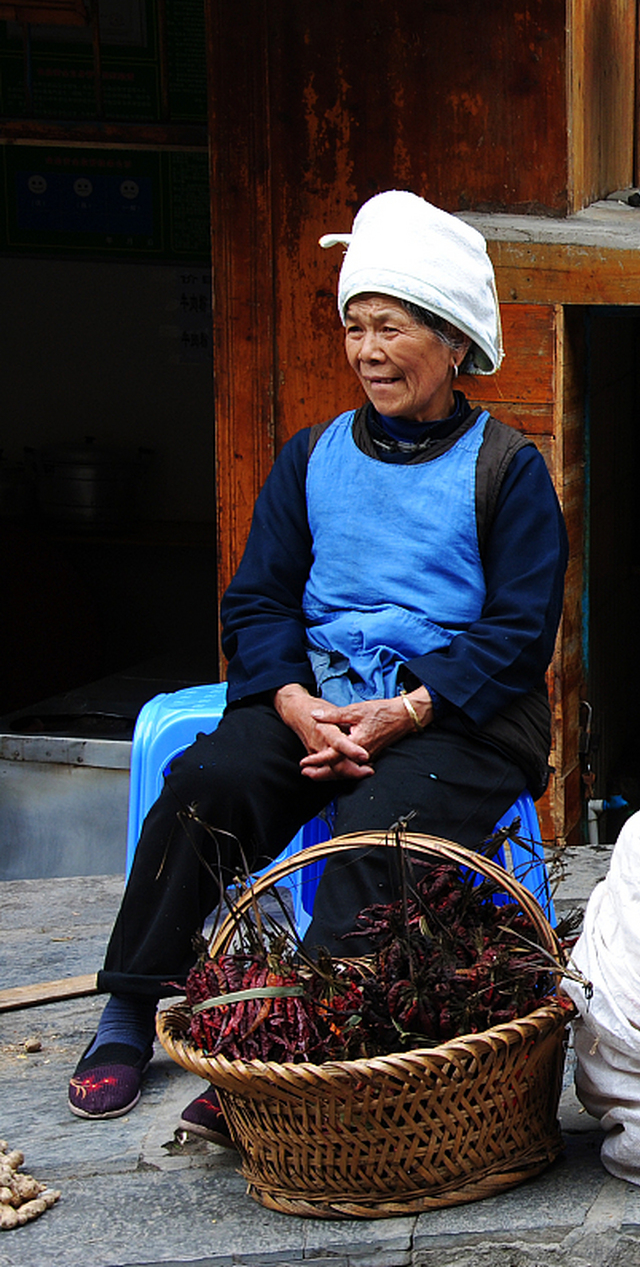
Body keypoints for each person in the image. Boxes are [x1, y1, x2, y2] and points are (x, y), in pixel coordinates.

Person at [68, 191, 567, 1136]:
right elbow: (258, 599)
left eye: (391, 327)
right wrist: (295, 701)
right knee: (206, 781)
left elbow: (517, 632)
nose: (368, 351)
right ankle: (133, 1003)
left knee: (379, 826)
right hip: (319, 696)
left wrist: (405, 713)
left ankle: (305, 1039)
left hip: (457, 712)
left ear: (453, 342)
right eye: (355, 327)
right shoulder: (311, 458)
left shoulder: (508, 469)